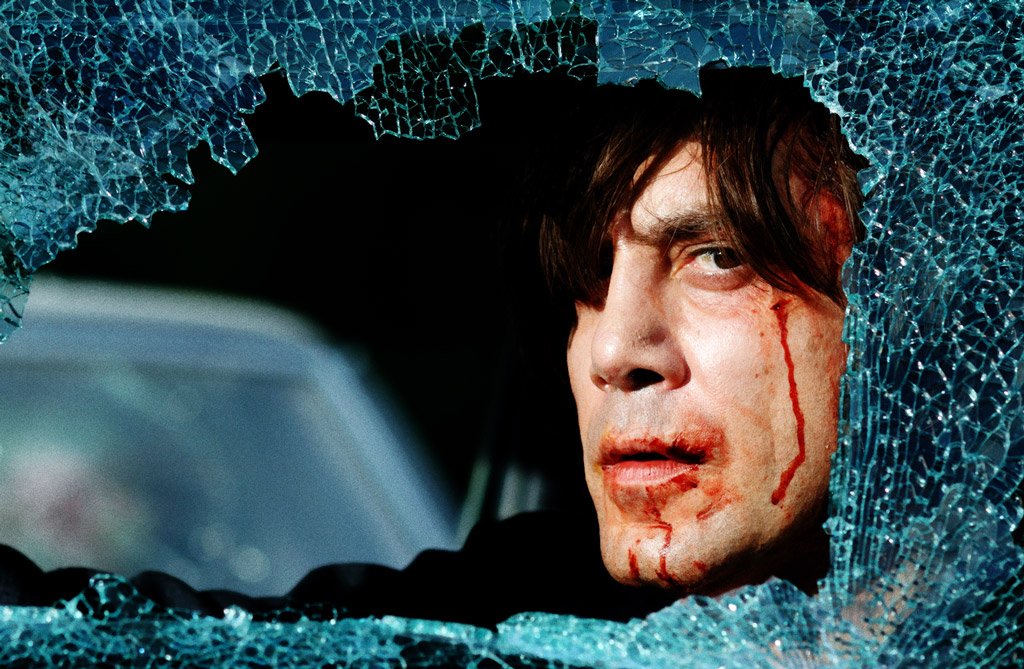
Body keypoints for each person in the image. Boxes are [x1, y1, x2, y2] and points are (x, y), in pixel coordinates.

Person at [0, 66, 864, 627]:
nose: (613, 348)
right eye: (589, 277)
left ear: (900, 326)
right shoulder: (523, 615)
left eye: (718, 256)